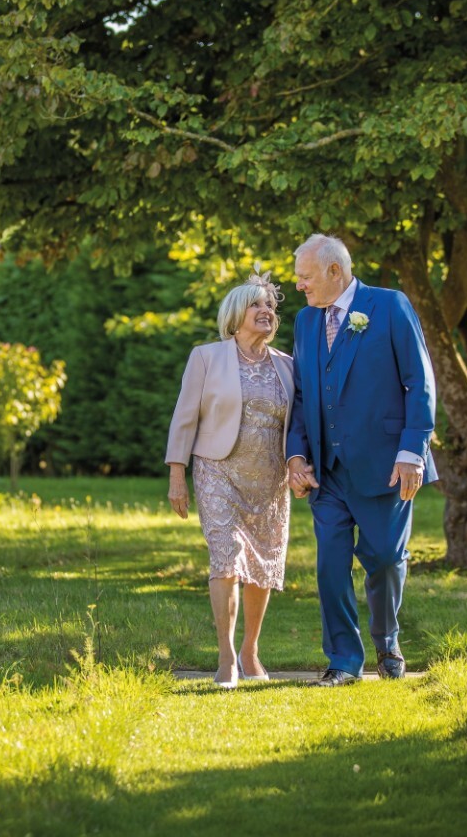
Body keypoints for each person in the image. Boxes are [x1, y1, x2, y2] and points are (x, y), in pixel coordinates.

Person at [286, 234, 437, 686]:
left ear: (336, 271)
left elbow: (420, 380)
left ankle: (387, 641)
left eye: (305, 276)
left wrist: (413, 450)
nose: (299, 286)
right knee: (330, 565)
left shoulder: (389, 306)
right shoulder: (305, 322)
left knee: (386, 559)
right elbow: (299, 394)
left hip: (387, 463)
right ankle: (344, 661)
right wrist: (295, 454)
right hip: (326, 473)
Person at [166, 273, 294, 689]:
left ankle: (251, 650)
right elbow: (184, 417)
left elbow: (301, 425)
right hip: (216, 470)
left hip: (269, 478)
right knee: (227, 557)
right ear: (235, 316)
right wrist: (177, 475)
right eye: (257, 306)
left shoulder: (287, 365)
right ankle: (226, 658)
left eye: (270, 307)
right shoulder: (206, 357)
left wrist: (300, 465)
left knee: (261, 564)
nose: (266, 313)